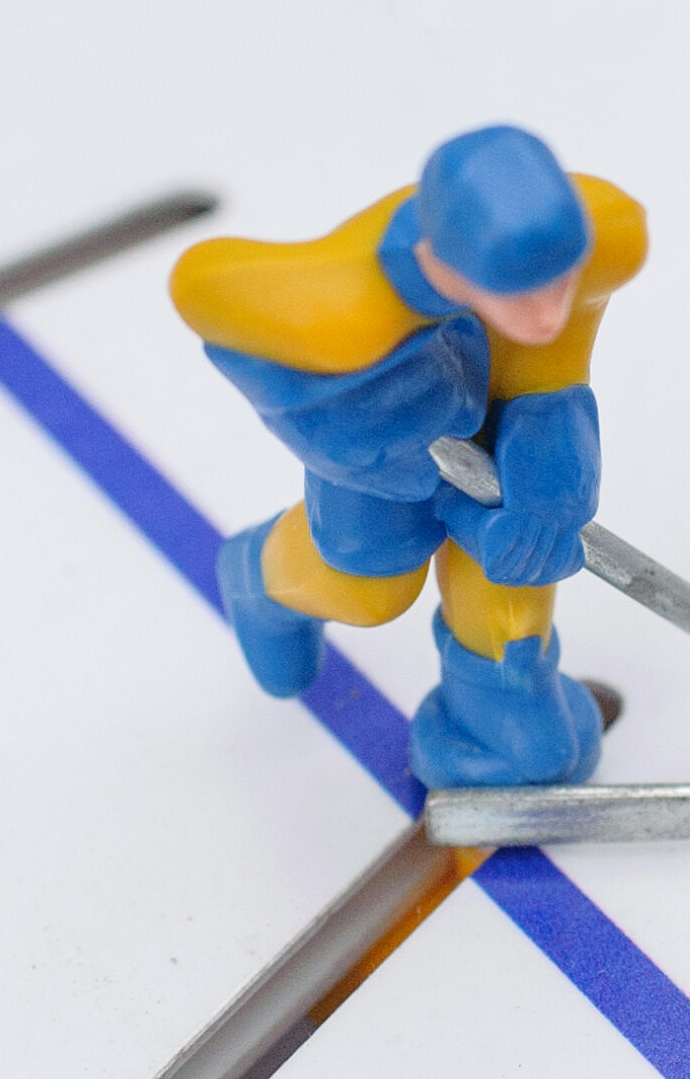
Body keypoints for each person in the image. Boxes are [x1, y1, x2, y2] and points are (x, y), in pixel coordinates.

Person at [171, 125, 646, 787]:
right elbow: (200, 284)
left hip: (505, 404)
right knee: (371, 586)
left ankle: (494, 724)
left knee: (517, 553)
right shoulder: (345, 311)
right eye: (518, 293)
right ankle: (256, 574)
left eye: (556, 283)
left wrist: (552, 483)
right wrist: (342, 411)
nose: (545, 314)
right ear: (441, 265)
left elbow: (553, 368)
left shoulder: (603, 238)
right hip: (380, 447)